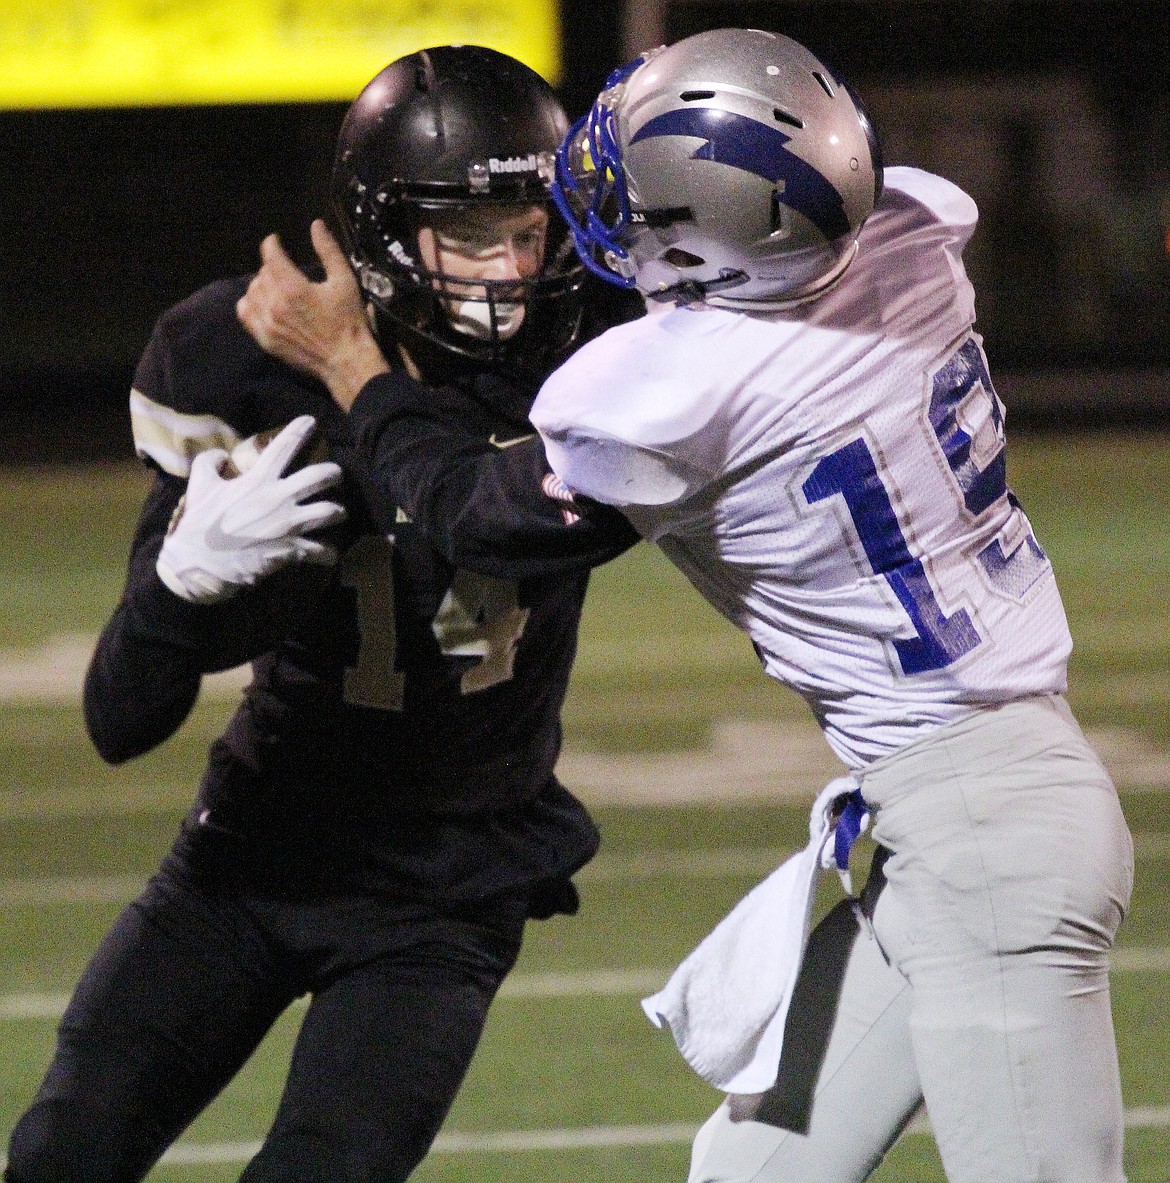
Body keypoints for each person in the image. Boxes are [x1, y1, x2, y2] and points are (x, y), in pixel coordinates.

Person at [239, 27, 1135, 1183]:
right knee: (751, 1172)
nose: (603, 200)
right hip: (963, 813)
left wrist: (357, 370)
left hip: (984, 836)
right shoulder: (914, 233)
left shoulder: (687, 391)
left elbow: (471, 511)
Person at [4, 45, 639, 1183]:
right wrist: (175, 592)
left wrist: (358, 375)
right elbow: (119, 715)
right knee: (61, 1152)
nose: (509, 267)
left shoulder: (598, 361)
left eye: (529, 229)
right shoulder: (236, 362)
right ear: (387, 237)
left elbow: (491, 517)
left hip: (451, 883)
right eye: (470, 232)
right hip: (257, 848)